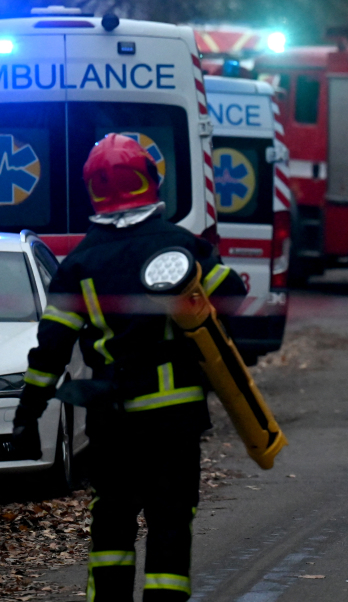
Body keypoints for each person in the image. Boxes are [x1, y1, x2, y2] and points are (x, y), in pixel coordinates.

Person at [8, 134, 247, 601]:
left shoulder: (78, 264)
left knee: (112, 521)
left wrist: (26, 414)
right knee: (170, 518)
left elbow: (50, 350)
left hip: (111, 420)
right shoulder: (182, 245)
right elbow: (232, 297)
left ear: (93, 190)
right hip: (174, 417)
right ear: (150, 181)